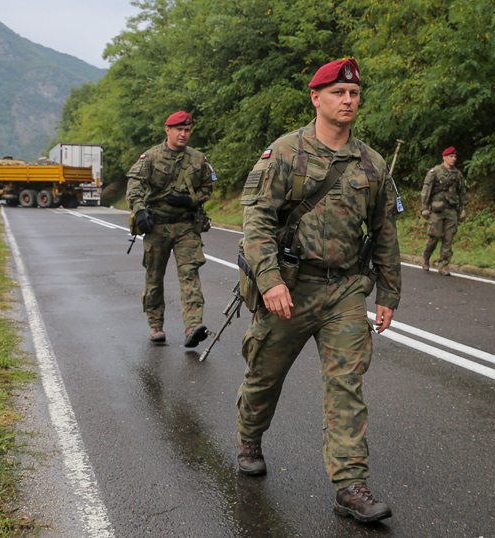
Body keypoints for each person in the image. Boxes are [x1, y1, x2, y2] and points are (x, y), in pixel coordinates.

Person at [234, 58, 401, 523]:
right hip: (289, 287)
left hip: (345, 289)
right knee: (264, 376)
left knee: (347, 384)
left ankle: (351, 485)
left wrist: (388, 292)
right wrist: (268, 281)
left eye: (353, 94)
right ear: (316, 98)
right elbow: (257, 222)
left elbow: (384, 230)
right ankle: (250, 436)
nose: (348, 101)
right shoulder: (285, 153)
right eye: (337, 93)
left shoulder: (372, 162)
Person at [126, 111, 215, 346]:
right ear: (168, 130)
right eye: (179, 130)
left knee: (190, 275)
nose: (183, 134)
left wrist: (191, 200)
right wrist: (140, 211)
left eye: (187, 130)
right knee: (154, 277)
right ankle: (156, 325)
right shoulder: (152, 157)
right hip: (157, 227)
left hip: (186, 227)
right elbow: (134, 185)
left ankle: (193, 327)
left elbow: (208, 187)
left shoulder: (198, 160)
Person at [420, 146, 468, 276]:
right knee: (434, 236)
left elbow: (462, 192)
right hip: (437, 210)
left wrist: (463, 209)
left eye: (455, 157)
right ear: (444, 157)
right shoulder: (435, 172)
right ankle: (426, 258)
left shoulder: (457, 174)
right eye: (451, 156)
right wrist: (424, 208)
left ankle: (443, 265)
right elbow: (426, 191)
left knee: (448, 238)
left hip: (451, 210)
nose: (454, 159)